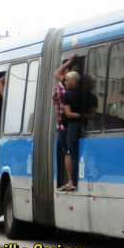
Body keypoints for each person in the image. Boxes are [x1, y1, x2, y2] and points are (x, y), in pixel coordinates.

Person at [52, 54, 76, 188]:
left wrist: (68, 61)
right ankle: (73, 180)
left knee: (67, 152)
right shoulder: (75, 88)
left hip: (61, 125)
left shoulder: (59, 89)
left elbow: (53, 101)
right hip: (72, 125)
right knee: (72, 152)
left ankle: (70, 180)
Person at [59, 71, 83, 192]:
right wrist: (86, 116)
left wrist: (80, 115)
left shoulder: (67, 95)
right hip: (83, 126)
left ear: (73, 81)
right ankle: (72, 181)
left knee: (71, 155)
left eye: (67, 80)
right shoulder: (86, 94)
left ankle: (72, 182)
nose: (65, 82)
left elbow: (68, 114)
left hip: (72, 127)